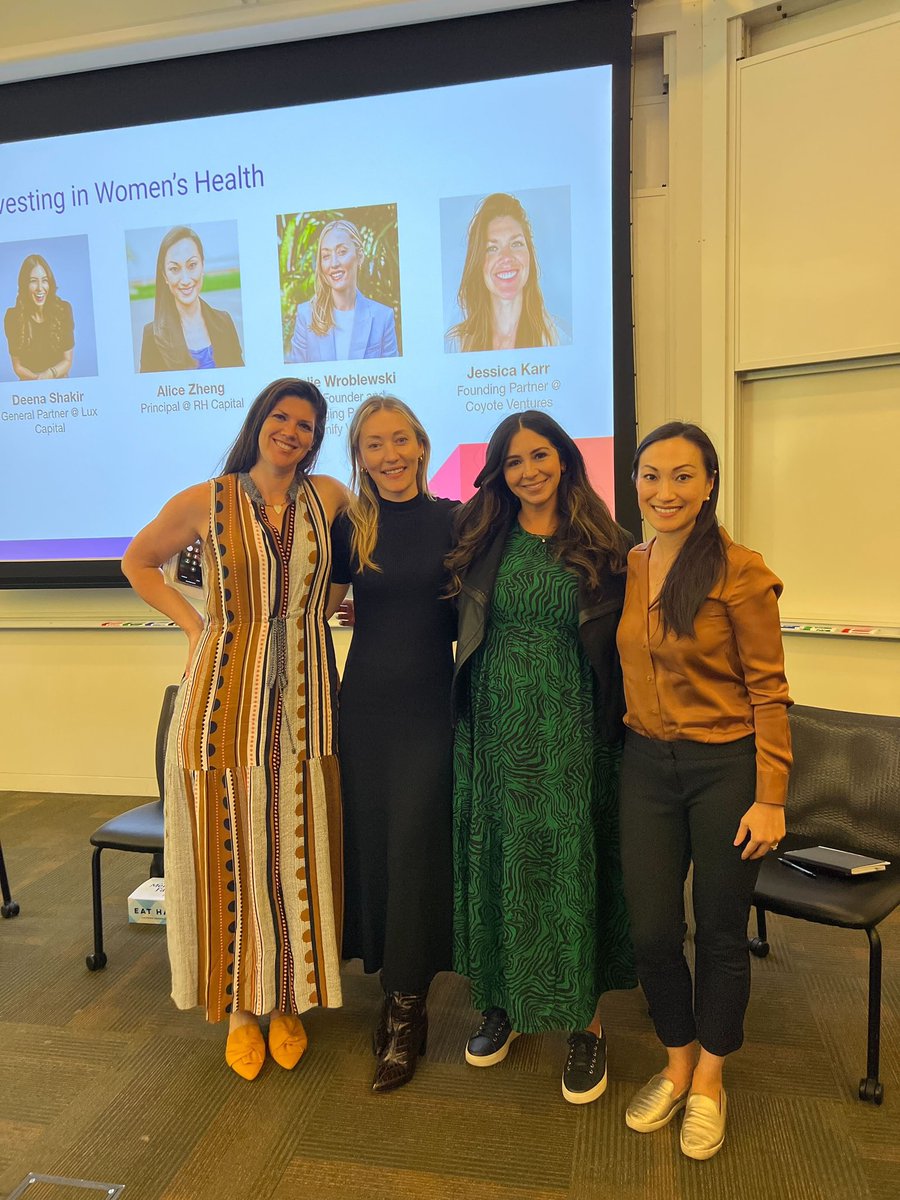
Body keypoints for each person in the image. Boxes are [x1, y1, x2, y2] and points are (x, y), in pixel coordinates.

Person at [122, 378, 347, 1080]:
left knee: (294, 848)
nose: (293, 432)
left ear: (316, 437)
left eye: (307, 425)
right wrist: (195, 626)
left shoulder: (330, 496)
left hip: (307, 699)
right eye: (282, 418)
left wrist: (332, 609)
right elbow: (138, 560)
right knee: (231, 847)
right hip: (223, 697)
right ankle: (241, 1009)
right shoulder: (205, 500)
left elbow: (354, 560)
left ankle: (289, 999)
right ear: (260, 423)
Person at [447, 410, 636, 1105]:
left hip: (571, 730)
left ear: (563, 460)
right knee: (501, 858)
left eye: (540, 456)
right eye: (514, 461)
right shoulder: (480, 535)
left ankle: (585, 1025)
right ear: (498, 471)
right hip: (493, 727)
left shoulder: (604, 542)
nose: (528, 471)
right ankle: (503, 1000)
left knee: (563, 864)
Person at [617, 421, 791, 1160]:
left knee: (721, 933)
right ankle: (676, 1058)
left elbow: (771, 691)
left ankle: (711, 1079)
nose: (665, 491)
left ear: (709, 484)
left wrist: (772, 794)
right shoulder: (632, 562)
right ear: (635, 483)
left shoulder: (740, 570)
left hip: (727, 769)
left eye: (683, 475)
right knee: (653, 931)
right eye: (651, 475)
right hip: (646, 766)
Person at [331, 395, 457, 1093]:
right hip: (366, 709)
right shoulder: (352, 526)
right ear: (360, 454)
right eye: (375, 444)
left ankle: (410, 1008)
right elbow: (308, 601)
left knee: (415, 851)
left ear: (421, 443)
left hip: (430, 710)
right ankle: (390, 982)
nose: (390, 454)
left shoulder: (455, 519)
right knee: (376, 848)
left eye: (400, 439)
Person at [445, 192, 568, 354]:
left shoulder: (558, 339)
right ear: (478, 263)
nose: (506, 258)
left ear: (529, 254)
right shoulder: (455, 344)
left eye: (516, 244)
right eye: (492, 248)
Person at [287, 219, 398, 363]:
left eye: (342, 252)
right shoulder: (306, 315)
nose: (334, 263)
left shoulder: (383, 317)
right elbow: (296, 379)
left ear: (360, 257)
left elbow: (392, 375)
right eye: (326, 256)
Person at [139, 226, 244, 372]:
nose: (185, 280)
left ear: (203, 266)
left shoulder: (224, 322)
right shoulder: (153, 335)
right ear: (164, 276)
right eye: (174, 269)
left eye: (192, 265)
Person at [4, 254, 74, 381]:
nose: (40, 288)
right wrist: (38, 381)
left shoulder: (63, 310)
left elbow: (67, 360)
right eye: (33, 281)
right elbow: (17, 366)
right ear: (24, 285)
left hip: (60, 389)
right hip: (29, 392)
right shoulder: (12, 317)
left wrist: (49, 374)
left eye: (45, 280)